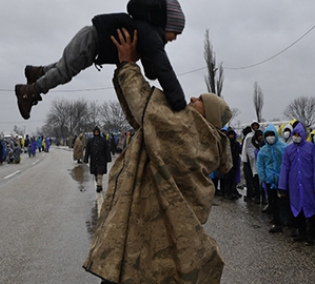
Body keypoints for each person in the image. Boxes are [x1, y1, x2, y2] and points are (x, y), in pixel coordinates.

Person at [83, 28, 233, 284]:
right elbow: (142, 115)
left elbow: (146, 107)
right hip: (147, 241)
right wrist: (122, 68)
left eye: (200, 101)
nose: (193, 98)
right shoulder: (191, 138)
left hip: (146, 249)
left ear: (207, 117)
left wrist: (129, 64)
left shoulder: (191, 133)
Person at [15, 0, 186, 120]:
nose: (176, 38)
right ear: (167, 25)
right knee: (64, 72)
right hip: (91, 41)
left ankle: (36, 73)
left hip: (90, 42)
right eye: (176, 32)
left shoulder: (149, 34)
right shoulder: (151, 35)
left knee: (63, 66)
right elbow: (165, 70)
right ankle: (29, 91)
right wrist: (179, 104)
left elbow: (153, 68)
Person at [279, 123, 315, 245]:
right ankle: (302, 233)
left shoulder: (310, 148)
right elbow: (285, 167)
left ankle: (313, 235)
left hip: (309, 184)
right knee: (298, 210)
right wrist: (282, 186)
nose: (296, 136)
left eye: (299, 134)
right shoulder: (288, 150)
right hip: (295, 185)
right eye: (295, 134)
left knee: (312, 209)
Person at [256, 123, 288, 233]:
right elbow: (260, 165)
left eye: (272, 134)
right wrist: (263, 177)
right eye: (268, 135)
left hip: (282, 180)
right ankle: (276, 222)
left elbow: (287, 163)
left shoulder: (283, 147)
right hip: (270, 180)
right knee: (273, 202)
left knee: (284, 202)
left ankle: (286, 222)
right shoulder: (263, 150)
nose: (270, 137)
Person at [84, 126, 110, 193]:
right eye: (95, 132)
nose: (96, 133)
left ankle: (99, 185)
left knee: (100, 173)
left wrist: (108, 158)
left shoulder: (103, 140)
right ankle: (99, 184)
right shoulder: (90, 141)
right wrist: (86, 159)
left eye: (97, 132)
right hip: (94, 160)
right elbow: (87, 151)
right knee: (96, 173)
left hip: (101, 159)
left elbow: (107, 149)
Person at [241, 122, 258, 201]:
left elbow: (248, 150)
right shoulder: (250, 137)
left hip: (249, 161)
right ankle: (253, 195)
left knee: (250, 179)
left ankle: (250, 195)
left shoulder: (248, 137)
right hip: (250, 160)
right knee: (252, 179)